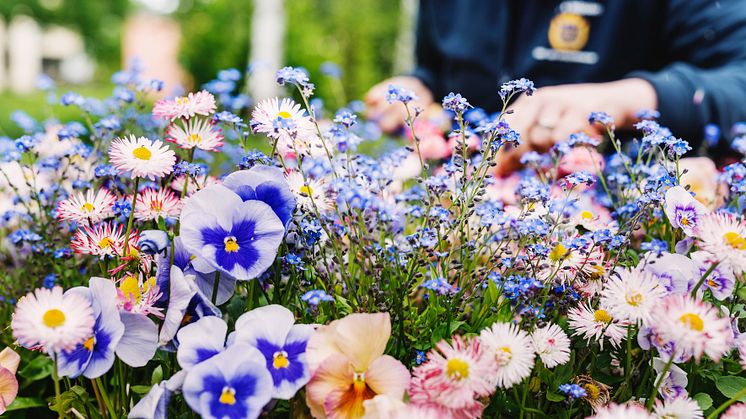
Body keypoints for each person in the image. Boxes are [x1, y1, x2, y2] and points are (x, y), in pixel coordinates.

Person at [365, 0, 746, 175]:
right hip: (459, 231)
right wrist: (419, 87)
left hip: (620, 250)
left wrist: (627, 99)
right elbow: (440, 68)